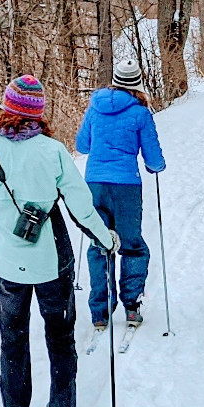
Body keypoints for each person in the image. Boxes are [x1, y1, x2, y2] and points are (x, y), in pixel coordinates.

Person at [0, 75, 118, 407]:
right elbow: (81, 207)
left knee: (12, 342)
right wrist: (106, 239)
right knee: (60, 343)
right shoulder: (54, 151)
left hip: (8, 266)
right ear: (39, 114)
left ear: (7, 108)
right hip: (51, 264)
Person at [74, 59, 167, 331]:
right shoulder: (140, 113)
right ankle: (131, 305)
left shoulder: (95, 108)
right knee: (132, 245)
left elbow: (82, 145)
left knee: (100, 244)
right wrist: (156, 167)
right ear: (138, 82)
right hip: (126, 186)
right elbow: (154, 159)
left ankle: (100, 313)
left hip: (95, 185)